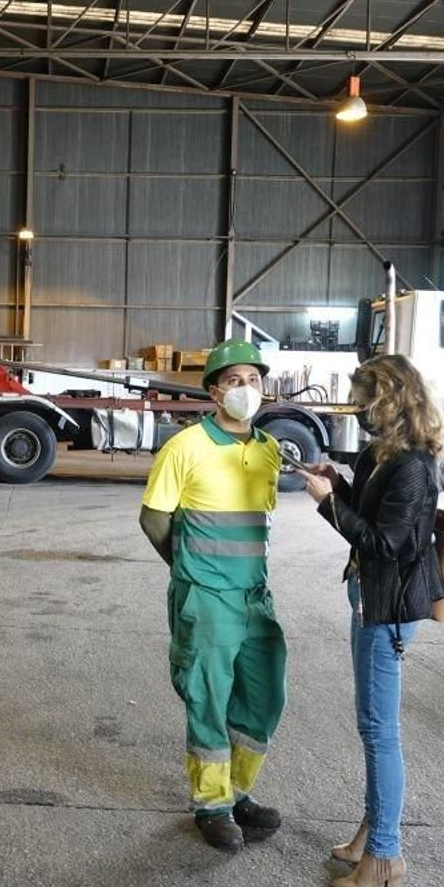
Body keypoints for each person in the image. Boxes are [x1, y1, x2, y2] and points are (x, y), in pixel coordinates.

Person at [297, 353, 444, 887]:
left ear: (389, 400)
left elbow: (387, 544)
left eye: (365, 399)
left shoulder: (411, 464)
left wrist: (327, 508)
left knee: (380, 731)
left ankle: (385, 856)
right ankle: (371, 832)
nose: (359, 409)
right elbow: (376, 513)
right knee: (371, 727)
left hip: (389, 608)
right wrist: (336, 484)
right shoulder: (384, 455)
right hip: (371, 599)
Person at [139, 339, 286, 852]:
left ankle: (237, 791)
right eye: (234, 381)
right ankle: (211, 804)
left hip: (254, 596)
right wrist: (188, 572)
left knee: (265, 696)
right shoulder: (184, 448)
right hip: (206, 597)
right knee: (208, 700)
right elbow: (154, 519)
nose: (247, 389)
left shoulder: (269, 450)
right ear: (213, 392)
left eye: (254, 380)